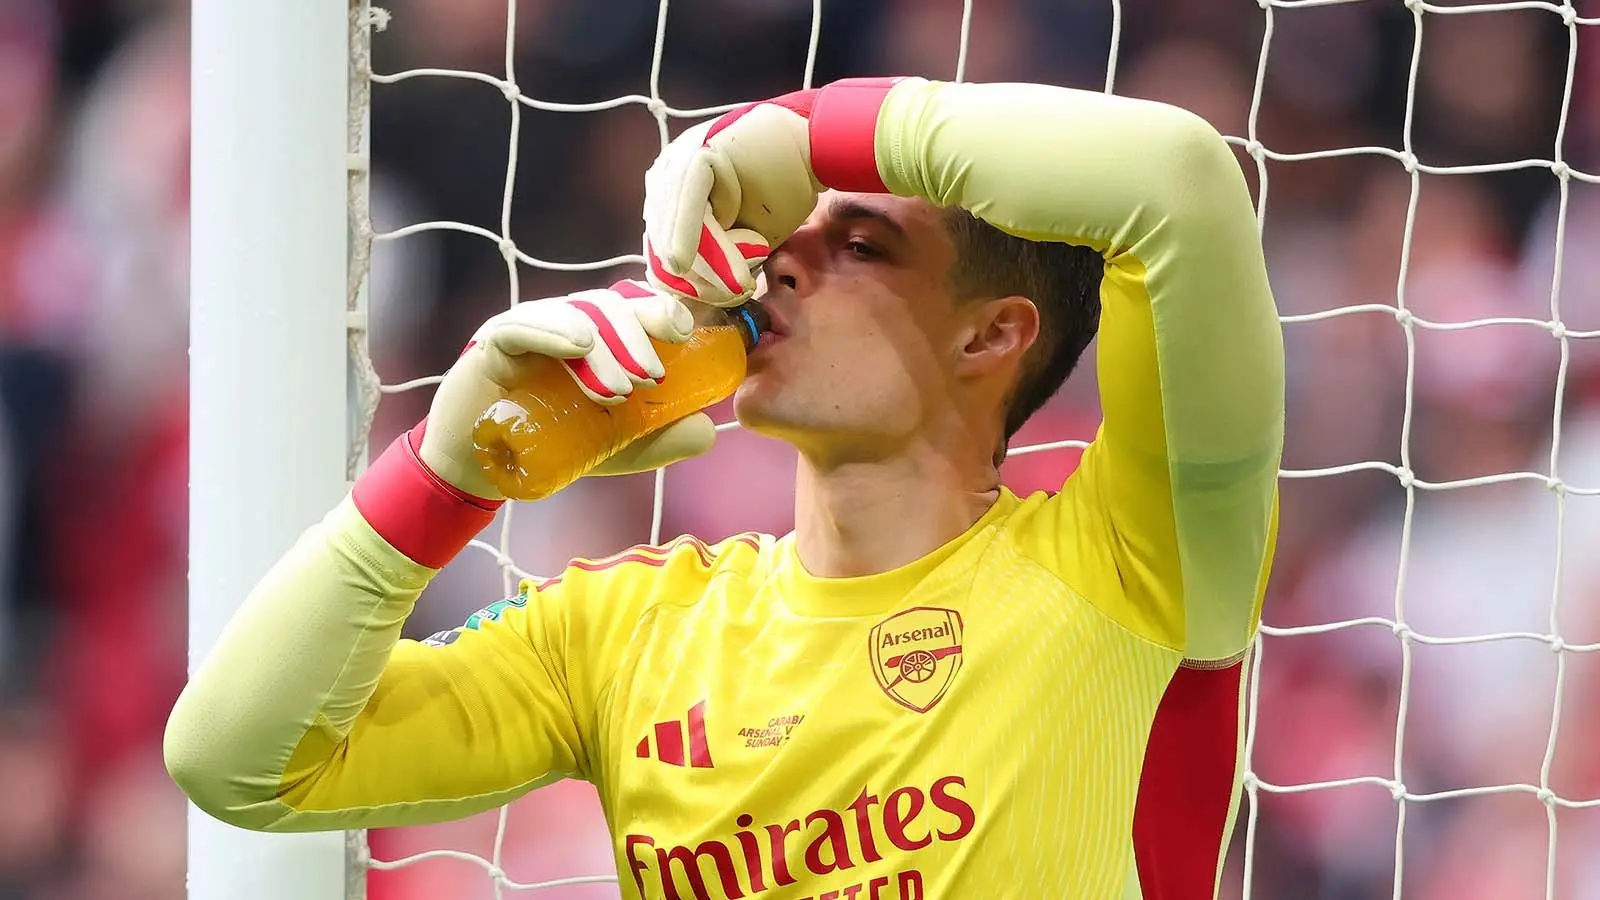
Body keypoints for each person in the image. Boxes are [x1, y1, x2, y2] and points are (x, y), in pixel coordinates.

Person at [165, 76, 1283, 900]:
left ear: (991, 335)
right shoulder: (625, 631)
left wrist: (794, 130)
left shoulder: (1129, 561)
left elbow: (1174, 179)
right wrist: (442, 479)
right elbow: (237, 762)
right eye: (784, 233)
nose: (776, 261)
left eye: (861, 244)